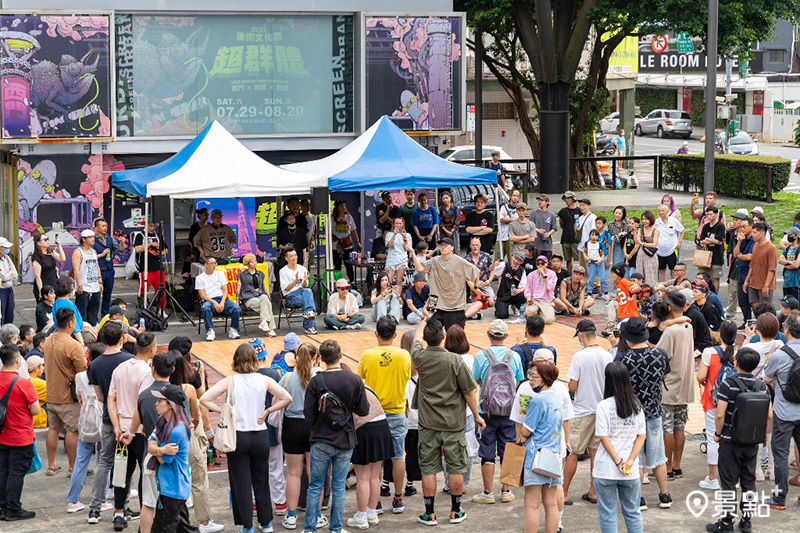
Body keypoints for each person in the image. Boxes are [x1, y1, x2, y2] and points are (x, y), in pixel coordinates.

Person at [200, 343, 292, 533]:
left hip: (238, 437)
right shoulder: (263, 379)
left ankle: (247, 526)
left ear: (236, 360)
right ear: (255, 360)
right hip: (260, 435)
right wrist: (268, 410)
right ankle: (266, 523)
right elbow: (286, 397)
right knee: (261, 479)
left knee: (241, 482)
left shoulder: (230, 381)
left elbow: (205, 399)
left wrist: (224, 410)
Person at [411, 314, 485, 525]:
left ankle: (429, 513)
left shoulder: (420, 357)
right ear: (443, 337)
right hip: (453, 423)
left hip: (427, 423)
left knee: (428, 468)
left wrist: (424, 319)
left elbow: (415, 339)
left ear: (426, 339)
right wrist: (477, 416)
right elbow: (470, 392)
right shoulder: (455, 360)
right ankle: (455, 511)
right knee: (455, 467)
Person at [300, 339, 370, 533]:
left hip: (321, 439)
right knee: (339, 487)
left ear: (321, 359)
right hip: (345, 440)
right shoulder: (354, 380)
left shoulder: (316, 381)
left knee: (315, 486)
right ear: (341, 356)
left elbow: (308, 414)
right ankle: (336, 528)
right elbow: (364, 410)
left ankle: (310, 528)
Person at [706, 348, 770, 533]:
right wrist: (762, 436)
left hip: (730, 440)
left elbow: (720, 415)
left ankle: (726, 522)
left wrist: (718, 434)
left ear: (736, 363)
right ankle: (746, 520)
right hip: (751, 441)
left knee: (728, 481)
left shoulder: (728, 384)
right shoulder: (761, 386)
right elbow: (769, 415)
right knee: (748, 481)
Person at [615, 317, 672, 510]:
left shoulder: (623, 358)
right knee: (659, 457)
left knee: (635, 459)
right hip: (655, 412)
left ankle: (639, 499)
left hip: (632, 414)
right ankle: (665, 495)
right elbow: (664, 375)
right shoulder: (660, 354)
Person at [357, 316, 412, 516]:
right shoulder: (404, 355)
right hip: (397, 411)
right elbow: (407, 377)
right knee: (398, 456)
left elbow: (360, 381)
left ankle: (376, 500)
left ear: (376, 333)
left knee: (376, 459)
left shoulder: (367, 355)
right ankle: (398, 498)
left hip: (373, 414)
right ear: (395, 335)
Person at [471, 320, 525, 505]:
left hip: (486, 411)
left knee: (487, 449)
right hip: (510, 410)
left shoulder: (480, 356)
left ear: (488, 334)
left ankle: (487, 492)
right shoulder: (514, 356)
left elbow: (475, 379)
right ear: (506, 337)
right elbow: (519, 380)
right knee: (508, 448)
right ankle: (506, 491)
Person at [86, 322, 134, 524]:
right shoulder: (130, 361)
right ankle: (123, 507)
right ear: (122, 338)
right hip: (128, 419)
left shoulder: (95, 365)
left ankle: (94, 509)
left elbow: (99, 396)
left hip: (108, 418)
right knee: (128, 464)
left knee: (104, 462)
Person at [107, 332, 156, 530]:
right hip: (139, 431)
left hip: (121, 428)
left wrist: (117, 426)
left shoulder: (120, 368)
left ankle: (118, 512)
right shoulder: (147, 372)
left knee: (121, 473)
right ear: (152, 348)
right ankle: (145, 516)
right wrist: (134, 430)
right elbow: (140, 404)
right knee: (145, 473)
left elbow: (111, 399)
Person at [563, 319, 613, 505]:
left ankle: (564, 492)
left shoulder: (579, 356)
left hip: (583, 410)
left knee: (573, 452)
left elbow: (573, 385)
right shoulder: (607, 355)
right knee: (596, 454)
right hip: (601, 411)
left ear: (581, 335)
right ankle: (593, 492)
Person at [593, 362, 647, 533]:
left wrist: (618, 461)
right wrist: (630, 460)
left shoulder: (603, 406)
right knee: (633, 513)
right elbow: (641, 435)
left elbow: (603, 437)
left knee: (608, 515)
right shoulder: (636, 405)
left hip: (606, 469)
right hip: (630, 471)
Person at [42, 308, 87, 477]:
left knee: (53, 429)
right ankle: (72, 467)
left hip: (51, 393)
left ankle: (51, 466)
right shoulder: (73, 345)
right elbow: (82, 372)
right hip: (68, 397)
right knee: (72, 430)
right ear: (70, 323)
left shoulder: (47, 341)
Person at [656, 291, 695, 480]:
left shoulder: (671, 331)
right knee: (680, 426)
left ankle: (667, 466)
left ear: (669, 308)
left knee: (666, 428)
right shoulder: (688, 326)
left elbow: (660, 357)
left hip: (669, 386)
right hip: (685, 384)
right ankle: (677, 465)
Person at [763, 311, 800, 510]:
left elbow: (767, 378)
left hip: (784, 411)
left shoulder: (780, 355)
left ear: (786, 331)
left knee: (781, 455)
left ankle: (779, 499)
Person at [66, 342, 109, 517]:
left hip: (86, 421)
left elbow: (79, 399)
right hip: (104, 420)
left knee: (81, 461)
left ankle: (73, 500)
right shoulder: (108, 375)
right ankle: (103, 499)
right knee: (103, 462)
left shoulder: (80, 376)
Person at [147, 383, 195, 533]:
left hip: (173, 490)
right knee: (184, 529)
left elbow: (163, 459)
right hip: (173, 488)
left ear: (170, 405)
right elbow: (151, 446)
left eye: (160, 401)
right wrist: (160, 449)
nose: (156, 404)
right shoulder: (163, 422)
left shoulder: (176, 430)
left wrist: (155, 447)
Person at [277, 343, 316, 530]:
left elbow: (276, 399)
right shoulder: (319, 377)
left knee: (293, 473)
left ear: (296, 358)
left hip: (292, 425)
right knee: (314, 473)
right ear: (315, 358)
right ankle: (315, 514)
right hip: (313, 425)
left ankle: (291, 516)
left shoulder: (287, 377)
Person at [696, 320, 738, 492]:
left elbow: (701, 377)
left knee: (713, 438)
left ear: (720, 334)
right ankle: (733, 478)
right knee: (732, 439)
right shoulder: (739, 352)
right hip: (735, 401)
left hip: (713, 401)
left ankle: (713, 478)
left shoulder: (709, 352)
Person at [0, 344, 40, 521]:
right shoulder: (24, 383)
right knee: (16, 473)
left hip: (2, 435)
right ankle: (13, 508)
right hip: (20, 436)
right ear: (17, 360)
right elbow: (35, 410)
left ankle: (2, 506)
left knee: (3, 471)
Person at [410, 237, 480, 331]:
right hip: (435, 303)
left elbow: (476, 272)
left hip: (454, 306)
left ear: (452, 247)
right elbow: (420, 268)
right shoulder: (434, 261)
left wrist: (475, 287)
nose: (442, 247)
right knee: (431, 334)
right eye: (441, 245)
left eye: (445, 245)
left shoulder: (459, 261)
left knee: (454, 338)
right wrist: (412, 252)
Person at [195, 256, 241, 341]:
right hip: (209, 299)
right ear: (205, 265)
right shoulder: (200, 278)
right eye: (211, 263)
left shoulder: (220, 274)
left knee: (236, 308)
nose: (214, 265)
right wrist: (215, 303)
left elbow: (225, 290)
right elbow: (202, 295)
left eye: (215, 263)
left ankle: (233, 329)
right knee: (206, 308)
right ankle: (210, 330)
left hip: (222, 298)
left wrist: (222, 302)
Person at [237, 253, 277, 336]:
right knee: (267, 305)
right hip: (249, 298)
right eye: (252, 262)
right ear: (247, 264)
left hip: (260, 296)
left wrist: (268, 295)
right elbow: (239, 288)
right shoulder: (242, 275)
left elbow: (264, 286)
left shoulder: (260, 274)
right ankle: (270, 329)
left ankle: (264, 322)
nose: (255, 263)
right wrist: (237, 301)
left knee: (265, 298)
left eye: (255, 261)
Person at [280, 248, 317, 335]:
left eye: (295, 255)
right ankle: (309, 325)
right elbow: (286, 289)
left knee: (307, 291)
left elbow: (304, 286)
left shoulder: (302, 268)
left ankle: (309, 316)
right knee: (307, 300)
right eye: (291, 256)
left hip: (302, 292)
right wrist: (295, 281)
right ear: (286, 258)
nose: (294, 258)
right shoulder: (283, 271)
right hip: (291, 296)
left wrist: (304, 281)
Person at [743, 222, 778, 312]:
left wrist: (766, 286)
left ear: (762, 234)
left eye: (755, 233)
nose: (752, 235)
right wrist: (746, 281)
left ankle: (769, 325)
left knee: (766, 309)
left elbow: (772, 269)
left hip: (765, 283)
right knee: (755, 306)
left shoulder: (771, 248)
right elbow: (752, 265)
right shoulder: (755, 246)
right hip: (754, 283)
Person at [133, 220, 168, 310]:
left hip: (158, 267)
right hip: (145, 268)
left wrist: (161, 253)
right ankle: (141, 309)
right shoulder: (140, 235)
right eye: (150, 226)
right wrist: (149, 244)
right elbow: (137, 249)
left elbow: (165, 249)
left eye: (153, 226)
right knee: (143, 291)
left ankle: (161, 309)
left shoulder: (158, 236)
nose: (152, 228)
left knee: (161, 290)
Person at [72, 228, 102, 326]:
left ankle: (93, 327)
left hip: (94, 285)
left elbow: (97, 266)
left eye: (93, 237)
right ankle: (82, 330)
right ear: (84, 239)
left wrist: (100, 281)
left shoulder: (93, 251)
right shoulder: (78, 252)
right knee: (82, 311)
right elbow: (76, 269)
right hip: (84, 285)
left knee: (94, 310)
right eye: (90, 237)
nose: (93, 239)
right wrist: (79, 285)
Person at [31, 232, 65, 303]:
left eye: (47, 239)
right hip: (45, 286)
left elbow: (62, 259)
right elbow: (37, 276)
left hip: (53, 285)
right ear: (39, 243)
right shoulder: (37, 258)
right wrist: (41, 291)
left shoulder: (50, 252)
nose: (47, 241)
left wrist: (59, 245)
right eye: (45, 240)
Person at [331, 199, 361, 282]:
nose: (343, 207)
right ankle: (338, 283)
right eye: (341, 206)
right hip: (336, 246)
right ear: (336, 208)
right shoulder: (332, 219)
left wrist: (357, 242)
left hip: (348, 245)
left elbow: (353, 230)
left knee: (349, 265)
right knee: (337, 266)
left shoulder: (348, 217)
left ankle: (352, 282)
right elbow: (329, 232)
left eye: (344, 206)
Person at [698, 206, 726, 291]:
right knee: (704, 275)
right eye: (707, 215)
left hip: (717, 255)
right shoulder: (706, 226)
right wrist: (710, 241)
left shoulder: (720, 226)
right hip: (706, 255)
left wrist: (708, 240)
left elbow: (719, 241)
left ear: (716, 214)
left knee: (715, 277)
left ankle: (715, 295)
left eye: (711, 214)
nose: (709, 216)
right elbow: (701, 240)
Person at [654, 204, 684, 282]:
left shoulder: (673, 221)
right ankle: (662, 286)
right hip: (660, 250)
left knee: (673, 270)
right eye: (659, 211)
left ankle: (674, 285)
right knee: (661, 270)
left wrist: (679, 242)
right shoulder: (656, 222)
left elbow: (682, 230)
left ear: (667, 211)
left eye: (662, 210)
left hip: (672, 250)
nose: (661, 212)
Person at [93, 219, 117, 316]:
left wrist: (122, 243)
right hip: (98, 271)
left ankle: (105, 317)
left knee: (107, 296)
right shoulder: (93, 240)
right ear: (97, 228)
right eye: (102, 226)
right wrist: (102, 254)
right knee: (96, 297)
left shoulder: (110, 239)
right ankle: (94, 319)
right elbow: (90, 257)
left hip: (109, 271)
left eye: (106, 226)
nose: (105, 228)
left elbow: (120, 251)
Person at [493, 251, 528, 319]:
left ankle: (516, 306)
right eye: (516, 258)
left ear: (522, 262)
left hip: (514, 295)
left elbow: (524, 286)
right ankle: (500, 308)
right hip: (502, 295)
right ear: (512, 256)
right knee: (502, 315)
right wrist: (495, 265)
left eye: (519, 260)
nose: (516, 261)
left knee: (523, 294)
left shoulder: (522, 271)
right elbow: (494, 271)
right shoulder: (504, 265)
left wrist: (518, 290)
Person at [733, 216, 755, 324]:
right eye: (741, 227)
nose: (742, 229)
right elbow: (735, 254)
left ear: (751, 226)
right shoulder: (743, 239)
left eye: (745, 226)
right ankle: (747, 321)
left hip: (750, 274)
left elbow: (750, 256)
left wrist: (741, 256)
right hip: (741, 272)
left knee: (752, 300)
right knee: (742, 300)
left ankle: (756, 321)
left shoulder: (754, 240)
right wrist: (739, 242)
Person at [524, 255, 557, 323]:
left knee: (548, 320)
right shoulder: (531, 275)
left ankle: (542, 314)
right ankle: (537, 314)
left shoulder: (552, 274)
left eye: (542, 264)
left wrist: (544, 275)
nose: (540, 265)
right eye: (538, 264)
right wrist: (529, 299)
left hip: (546, 301)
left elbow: (550, 287)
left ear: (547, 264)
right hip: (535, 300)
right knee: (529, 311)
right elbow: (528, 289)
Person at [466, 237, 497, 308]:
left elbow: (492, 270)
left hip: (484, 284)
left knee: (491, 303)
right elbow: (464, 276)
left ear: (480, 245)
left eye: (477, 245)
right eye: (473, 245)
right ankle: (476, 297)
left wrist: (489, 280)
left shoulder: (487, 256)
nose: (475, 247)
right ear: (470, 246)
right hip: (472, 286)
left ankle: (479, 298)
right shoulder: (466, 259)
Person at [384, 218, 412, 294]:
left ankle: (397, 298)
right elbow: (389, 245)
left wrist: (404, 237)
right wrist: (394, 235)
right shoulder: (389, 234)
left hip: (402, 259)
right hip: (391, 259)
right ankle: (387, 297)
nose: (398, 225)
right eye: (396, 223)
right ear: (393, 224)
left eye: (400, 223)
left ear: (403, 224)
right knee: (388, 280)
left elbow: (407, 248)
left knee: (399, 281)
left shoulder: (408, 235)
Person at [557, 192, 581, 272]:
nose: (567, 200)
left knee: (579, 259)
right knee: (568, 259)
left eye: (569, 198)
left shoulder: (579, 211)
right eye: (566, 198)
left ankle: (580, 275)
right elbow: (561, 224)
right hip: (566, 238)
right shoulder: (562, 211)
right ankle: (569, 275)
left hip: (576, 239)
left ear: (573, 199)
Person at [585, 229, 610, 300]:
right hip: (591, 263)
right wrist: (586, 257)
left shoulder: (599, 244)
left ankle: (605, 293)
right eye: (592, 235)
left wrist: (600, 260)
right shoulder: (587, 243)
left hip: (599, 263)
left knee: (603, 278)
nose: (594, 237)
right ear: (590, 236)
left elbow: (602, 254)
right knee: (590, 279)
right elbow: (585, 251)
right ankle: (589, 293)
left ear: (598, 237)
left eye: (596, 235)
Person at [637, 210, 659, 287]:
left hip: (650, 255)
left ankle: (651, 293)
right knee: (639, 274)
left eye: (646, 219)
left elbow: (654, 244)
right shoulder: (640, 229)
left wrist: (643, 244)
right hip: (641, 253)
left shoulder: (655, 230)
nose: (644, 221)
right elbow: (638, 241)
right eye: (643, 219)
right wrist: (643, 244)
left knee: (651, 276)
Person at [497, 189, 520, 261]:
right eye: (514, 195)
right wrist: (514, 220)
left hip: (512, 237)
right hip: (501, 236)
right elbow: (501, 219)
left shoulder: (519, 209)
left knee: (512, 259)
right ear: (510, 196)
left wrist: (506, 219)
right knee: (498, 259)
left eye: (517, 196)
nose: (515, 197)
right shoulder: (503, 207)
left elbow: (519, 221)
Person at [0, 237, 18, 325]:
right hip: (1, 290)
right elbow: (3, 277)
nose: (8, 249)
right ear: (1, 248)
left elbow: (15, 273)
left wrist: (9, 275)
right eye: (6, 248)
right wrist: (9, 274)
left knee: (10, 314)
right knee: (1, 314)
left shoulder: (6, 258)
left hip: (9, 289)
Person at [575, 199, 597, 271]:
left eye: (583, 205)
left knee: (591, 268)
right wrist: (576, 229)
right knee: (582, 268)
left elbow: (594, 232)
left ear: (589, 206)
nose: (581, 207)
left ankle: (595, 282)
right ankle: (584, 282)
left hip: (589, 247)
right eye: (580, 205)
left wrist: (588, 243)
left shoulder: (592, 217)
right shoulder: (580, 218)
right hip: (581, 246)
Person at [438, 191, 462, 256]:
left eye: (447, 198)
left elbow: (458, 220)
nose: (445, 200)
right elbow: (440, 221)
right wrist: (446, 231)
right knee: (444, 246)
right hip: (444, 230)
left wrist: (451, 231)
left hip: (453, 229)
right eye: (443, 198)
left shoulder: (455, 208)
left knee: (455, 246)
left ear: (450, 198)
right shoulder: (441, 209)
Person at [780, 227, 800, 300]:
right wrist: (789, 262)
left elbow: (796, 265)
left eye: (790, 235)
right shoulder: (787, 248)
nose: (788, 236)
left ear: (796, 236)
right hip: (787, 282)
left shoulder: (798, 248)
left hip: (796, 283)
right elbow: (780, 260)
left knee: (796, 306)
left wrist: (786, 266)